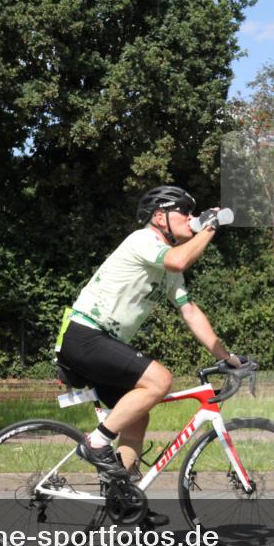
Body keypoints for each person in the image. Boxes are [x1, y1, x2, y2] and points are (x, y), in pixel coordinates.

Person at [55, 185, 240, 526]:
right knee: (160, 380)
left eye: (193, 213)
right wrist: (211, 225)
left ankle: (123, 501)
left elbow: (190, 312)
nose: (190, 218)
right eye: (183, 212)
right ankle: (96, 443)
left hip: (102, 342)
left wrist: (227, 357)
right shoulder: (142, 240)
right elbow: (179, 258)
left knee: (137, 418)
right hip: (84, 335)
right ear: (159, 217)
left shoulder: (169, 268)